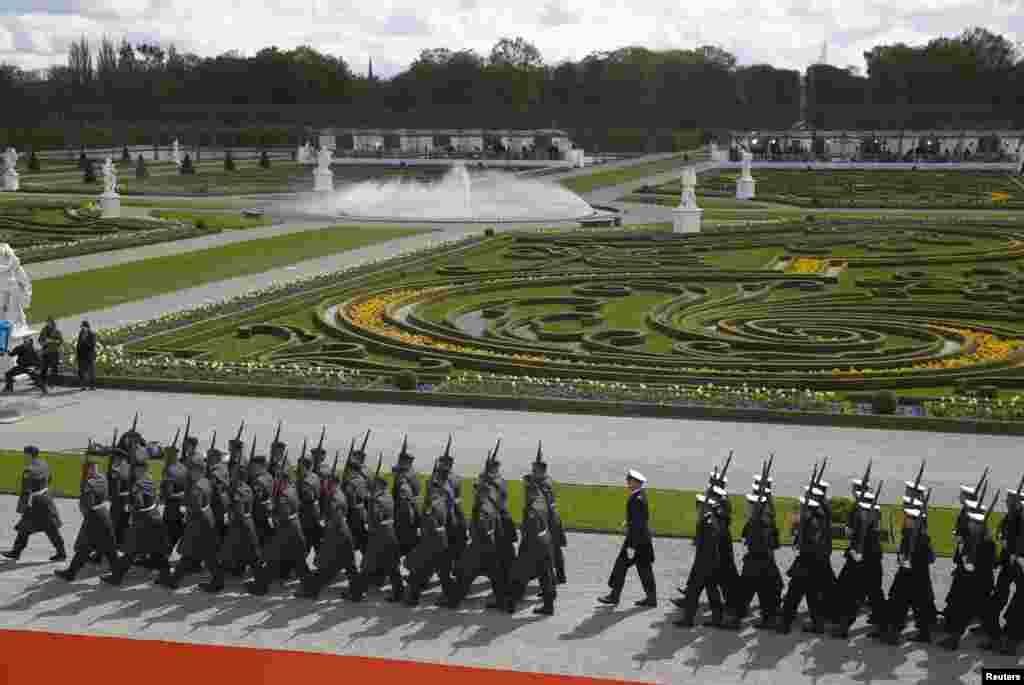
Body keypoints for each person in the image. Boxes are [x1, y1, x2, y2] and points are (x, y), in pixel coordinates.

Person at [102, 448, 170, 584]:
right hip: (155, 516)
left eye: (136, 469)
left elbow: (138, 502)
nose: (134, 471)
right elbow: (156, 498)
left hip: (143, 520)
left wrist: (133, 507)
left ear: (140, 469)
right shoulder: (149, 479)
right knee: (157, 551)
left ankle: (116, 577)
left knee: (131, 551)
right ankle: (166, 576)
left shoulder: (138, 484)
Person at [55, 453, 119, 580]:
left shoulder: (89, 484)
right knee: (109, 547)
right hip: (104, 513)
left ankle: (70, 573)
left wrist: (85, 512)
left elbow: (87, 504)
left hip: (94, 516)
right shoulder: (103, 478)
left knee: (85, 547)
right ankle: (117, 573)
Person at [599, 470, 656, 607]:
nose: (627, 483)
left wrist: (632, 546)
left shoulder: (636, 499)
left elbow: (638, 524)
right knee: (644, 569)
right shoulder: (640, 496)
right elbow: (639, 519)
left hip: (635, 541)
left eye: (629, 480)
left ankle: (614, 596)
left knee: (621, 566)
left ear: (636, 482)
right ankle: (651, 598)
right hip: (643, 541)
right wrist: (628, 522)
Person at [3, 446, 65, 561]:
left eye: (25, 454)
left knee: (47, 528)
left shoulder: (29, 470)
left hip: (36, 503)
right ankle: (16, 552)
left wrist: (21, 506)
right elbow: (50, 478)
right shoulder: (44, 464)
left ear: (29, 455)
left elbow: (26, 491)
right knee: (28, 527)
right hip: (46, 498)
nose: (24, 456)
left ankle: (61, 553)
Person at [38, 317, 62, 387]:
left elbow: (60, 341)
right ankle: (42, 382)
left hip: (54, 352)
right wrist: (43, 343)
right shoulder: (43, 331)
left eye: (49, 322)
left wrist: (51, 341)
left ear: (52, 323)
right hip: (45, 352)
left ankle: (52, 383)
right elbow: (39, 340)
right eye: (47, 322)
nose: (48, 323)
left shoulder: (57, 331)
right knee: (44, 368)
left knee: (54, 368)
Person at [75, 321, 96, 390]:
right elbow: (78, 344)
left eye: (83, 327)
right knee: (81, 371)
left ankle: (92, 386)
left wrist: (85, 341)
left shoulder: (92, 334)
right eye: (82, 327)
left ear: (87, 327)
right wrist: (77, 355)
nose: (82, 328)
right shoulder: (81, 333)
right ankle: (83, 385)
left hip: (89, 356)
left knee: (91, 372)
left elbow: (92, 345)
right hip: (81, 356)